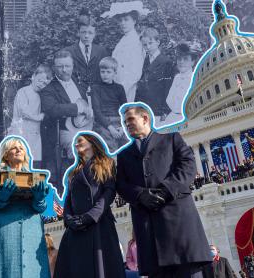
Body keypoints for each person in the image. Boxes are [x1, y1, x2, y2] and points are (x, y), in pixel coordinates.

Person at [116, 104, 211, 277]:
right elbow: (121, 185)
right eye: (124, 122)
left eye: (130, 119)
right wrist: (140, 195)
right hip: (149, 235)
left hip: (179, 229)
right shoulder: (123, 155)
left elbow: (188, 168)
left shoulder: (172, 139)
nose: (126, 124)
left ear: (145, 118)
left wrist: (165, 191)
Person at [54, 132, 126, 278]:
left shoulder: (107, 163)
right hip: (75, 229)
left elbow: (109, 192)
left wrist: (90, 216)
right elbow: (68, 199)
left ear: (92, 142)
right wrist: (68, 219)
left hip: (98, 225)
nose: (76, 144)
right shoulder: (73, 172)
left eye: (80, 140)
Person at [0, 137, 50, 278]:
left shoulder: (36, 178)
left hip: (32, 232)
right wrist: (2, 197)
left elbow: (41, 207)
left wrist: (39, 198)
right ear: (6, 154)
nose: (19, 149)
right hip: (6, 231)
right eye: (14, 147)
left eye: (21, 147)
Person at [40, 50, 93, 186]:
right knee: (80, 148)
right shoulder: (49, 89)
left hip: (87, 126)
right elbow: (52, 110)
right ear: (54, 67)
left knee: (105, 144)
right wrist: (78, 108)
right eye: (60, 66)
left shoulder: (78, 82)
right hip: (64, 130)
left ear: (73, 66)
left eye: (67, 66)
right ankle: (82, 183)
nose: (64, 70)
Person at [101, 0, 150, 102]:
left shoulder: (136, 42)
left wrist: (120, 90)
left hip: (126, 89)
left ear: (134, 21)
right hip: (116, 85)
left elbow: (135, 73)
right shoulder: (123, 40)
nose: (122, 23)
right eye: (121, 20)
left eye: (126, 20)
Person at [8, 64, 53, 168]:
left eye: (45, 83)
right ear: (33, 76)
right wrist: (39, 117)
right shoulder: (23, 91)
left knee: (34, 164)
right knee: (18, 164)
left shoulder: (42, 96)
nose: (42, 84)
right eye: (40, 80)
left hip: (35, 136)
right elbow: (24, 111)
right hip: (20, 133)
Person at [135, 28, 174, 125]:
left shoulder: (166, 62)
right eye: (145, 44)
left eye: (150, 43)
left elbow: (168, 88)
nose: (148, 46)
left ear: (158, 42)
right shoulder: (145, 60)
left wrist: (165, 111)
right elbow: (142, 83)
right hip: (144, 107)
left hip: (158, 109)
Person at [63, 9, 110, 87]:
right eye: (84, 32)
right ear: (78, 32)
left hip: (98, 94)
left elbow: (107, 75)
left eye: (90, 33)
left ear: (95, 34)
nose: (87, 36)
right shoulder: (68, 52)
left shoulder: (102, 51)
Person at [91, 56, 128, 151]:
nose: (105, 75)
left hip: (119, 121)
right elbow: (97, 112)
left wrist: (122, 126)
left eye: (108, 72)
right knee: (110, 145)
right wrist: (110, 128)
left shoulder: (119, 88)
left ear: (115, 73)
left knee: (129, 142)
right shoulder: (96, 88)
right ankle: (113, 163)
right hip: (103, 123)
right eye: (102, 72)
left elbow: (125, 109)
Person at [164, 41, 201, 125]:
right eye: (179, 59)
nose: (181, 62)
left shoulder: (195, 79)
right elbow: (169, 99)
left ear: (193, 62)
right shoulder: (177, 77)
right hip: (173, 116)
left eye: (185, 59)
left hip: (188, 118)